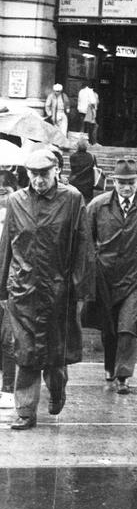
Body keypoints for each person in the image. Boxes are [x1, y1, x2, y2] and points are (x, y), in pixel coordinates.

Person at [0, 147, 93, 430]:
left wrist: (80, 288)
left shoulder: (73, 199)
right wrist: (2, 289)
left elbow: (83, 245)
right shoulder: (16, 201)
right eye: (33, 174)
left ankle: (57, 388)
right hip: (23, 289)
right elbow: (7, 245)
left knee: (54, 352)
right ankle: (25, 411)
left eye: (44, 173)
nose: (38, 179)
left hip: (58, 290)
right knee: (25, 351)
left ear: (56, 172)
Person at [87, 158, 137, 395]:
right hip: (105, 276)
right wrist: (86, 277)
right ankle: (110, 367)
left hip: (136, 277)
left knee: (127, 326)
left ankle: (123, 375)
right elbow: (87, 244)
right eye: (122, 183)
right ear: (114, 182)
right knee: (108, 328)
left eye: (131, 182)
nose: (126, 187)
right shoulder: (97, 205)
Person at [0, 169, 17, 409]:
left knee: (9, 338)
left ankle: (8, 388)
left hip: (13, 285)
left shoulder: (19, 216)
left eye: (6, 190)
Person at [68, 136, 96, 204]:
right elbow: (95, 167)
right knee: (88, 203)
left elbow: (73, 169)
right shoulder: (91, 156)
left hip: (76, 182)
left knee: (75, 203)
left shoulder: (73, 156)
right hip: (88, 184)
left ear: (77, 146)